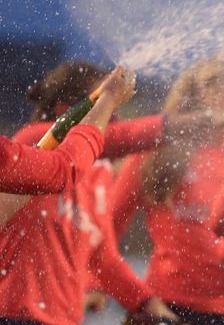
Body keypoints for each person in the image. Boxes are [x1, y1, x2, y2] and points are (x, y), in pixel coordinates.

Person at [0, 64, 180, 325]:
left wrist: (147, 304)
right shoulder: (33, 140)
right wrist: (175, 125)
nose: (114, 116)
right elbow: (113, 140)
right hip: (12, 314)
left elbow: (103, 257)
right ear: (65, 111)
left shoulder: (99, 172)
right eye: (108, 107)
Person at [111, 52, 224, 325]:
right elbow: (104, 233)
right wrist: (137, 297)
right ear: (206, 94)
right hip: (168, 309)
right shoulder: (156, 153)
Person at [0, 66, 134, 196]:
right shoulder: (31, 136)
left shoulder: (101, 171)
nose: (118, 121)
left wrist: (107, 99)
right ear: (63, 110)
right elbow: (117, 136)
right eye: (104, 113)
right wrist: (109, 98)